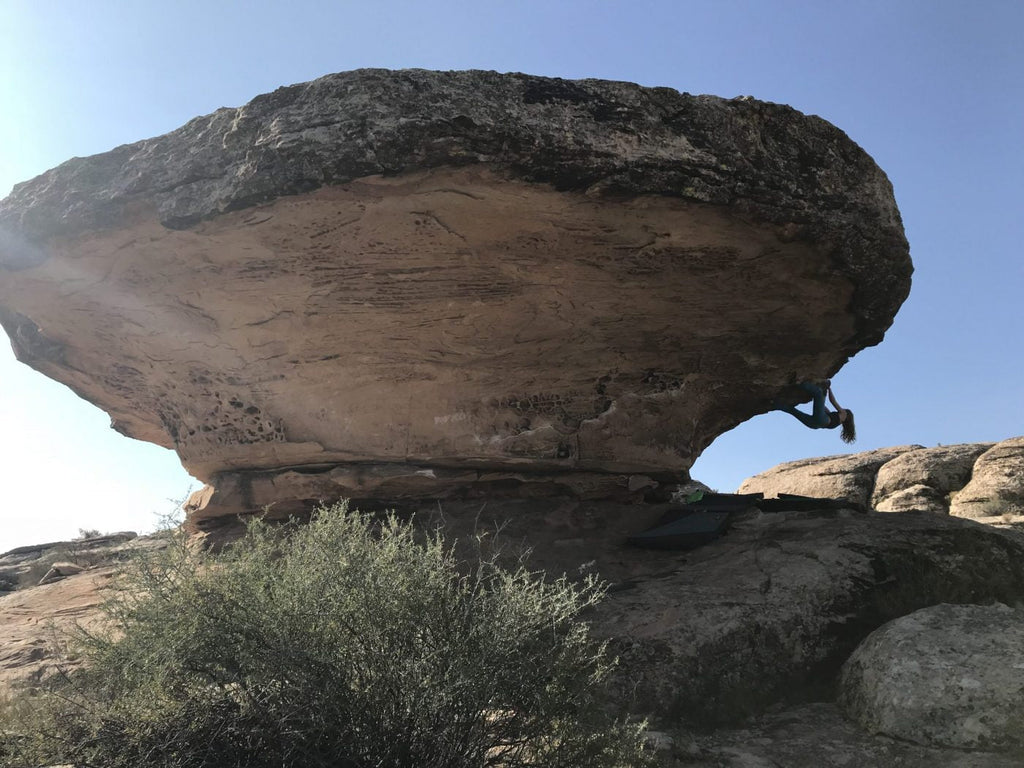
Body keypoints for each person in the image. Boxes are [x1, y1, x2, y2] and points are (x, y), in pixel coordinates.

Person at [775, 380, 856, 443]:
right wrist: (817, 400)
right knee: (792, 410)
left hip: (821, 419)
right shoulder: (837, 422)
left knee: (818, 393)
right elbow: (822, 407)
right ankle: (773, 403)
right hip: (814, 425)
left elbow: (833, 401)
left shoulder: (844, 413)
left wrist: (829, 389)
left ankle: (800, 383)